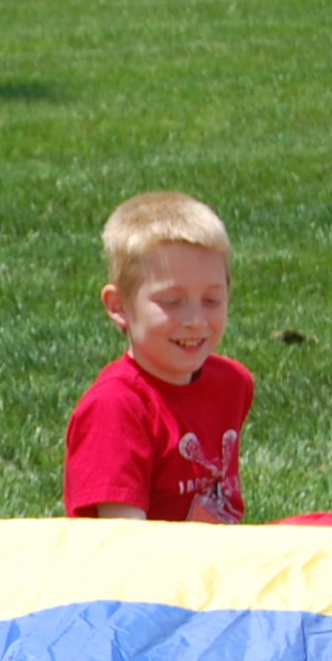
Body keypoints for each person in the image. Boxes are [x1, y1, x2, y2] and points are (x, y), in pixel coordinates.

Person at [64, 191, 252, 523]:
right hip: (148, 554)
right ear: (119, 306)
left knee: (331, 526)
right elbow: (123, 538)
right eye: (171, 301)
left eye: (212, 300)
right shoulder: (116, 407)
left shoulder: (232, 383)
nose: (195, 320)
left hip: (217, 550)